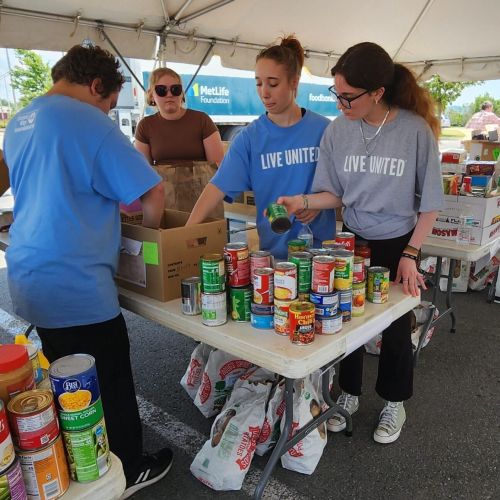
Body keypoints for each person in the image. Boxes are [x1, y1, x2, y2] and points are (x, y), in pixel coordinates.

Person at [3, 44, 172, 497]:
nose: (107, 111)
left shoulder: (20, 120)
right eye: (109, 103)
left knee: (63, 378)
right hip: (78, 282)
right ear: (98, 86)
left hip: (28, 275)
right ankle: (129, 466)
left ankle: (80, 462)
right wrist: (147, 247)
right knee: (108, 381)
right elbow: (153, 192)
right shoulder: (87, 122)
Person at [278, 42, 444, 444]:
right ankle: (348, 395)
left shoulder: (414, 131)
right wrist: (302, 202)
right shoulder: (338, 130)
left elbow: (431, 204)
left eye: (348, 96)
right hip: (352, 239)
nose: (340, 103)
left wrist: (411, 253)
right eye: (336, 93)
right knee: (345, 320)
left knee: (395, 326)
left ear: (377, 93)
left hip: (399, 241)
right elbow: (334, 194)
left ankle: (393, 402)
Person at [186, 35, 336, 258]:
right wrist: (185, 234)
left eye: (273, 83)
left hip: (324, 257)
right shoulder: (249, 138)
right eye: (258, 83)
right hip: (275, 258)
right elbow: (217, 188)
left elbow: (345, 186)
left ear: (294, 82)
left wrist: (315, 203)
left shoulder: (324, 130)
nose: (264, 92)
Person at [134, 67, 224, 216]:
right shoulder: (145, 126)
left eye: (175, 89)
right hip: (164, 202)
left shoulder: (202, 120)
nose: (169, 95)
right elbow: (143, 172)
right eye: (162, 90)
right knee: (165, 238)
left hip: (202, 201)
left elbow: (218, 166)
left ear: (181, 94)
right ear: (151, 95)